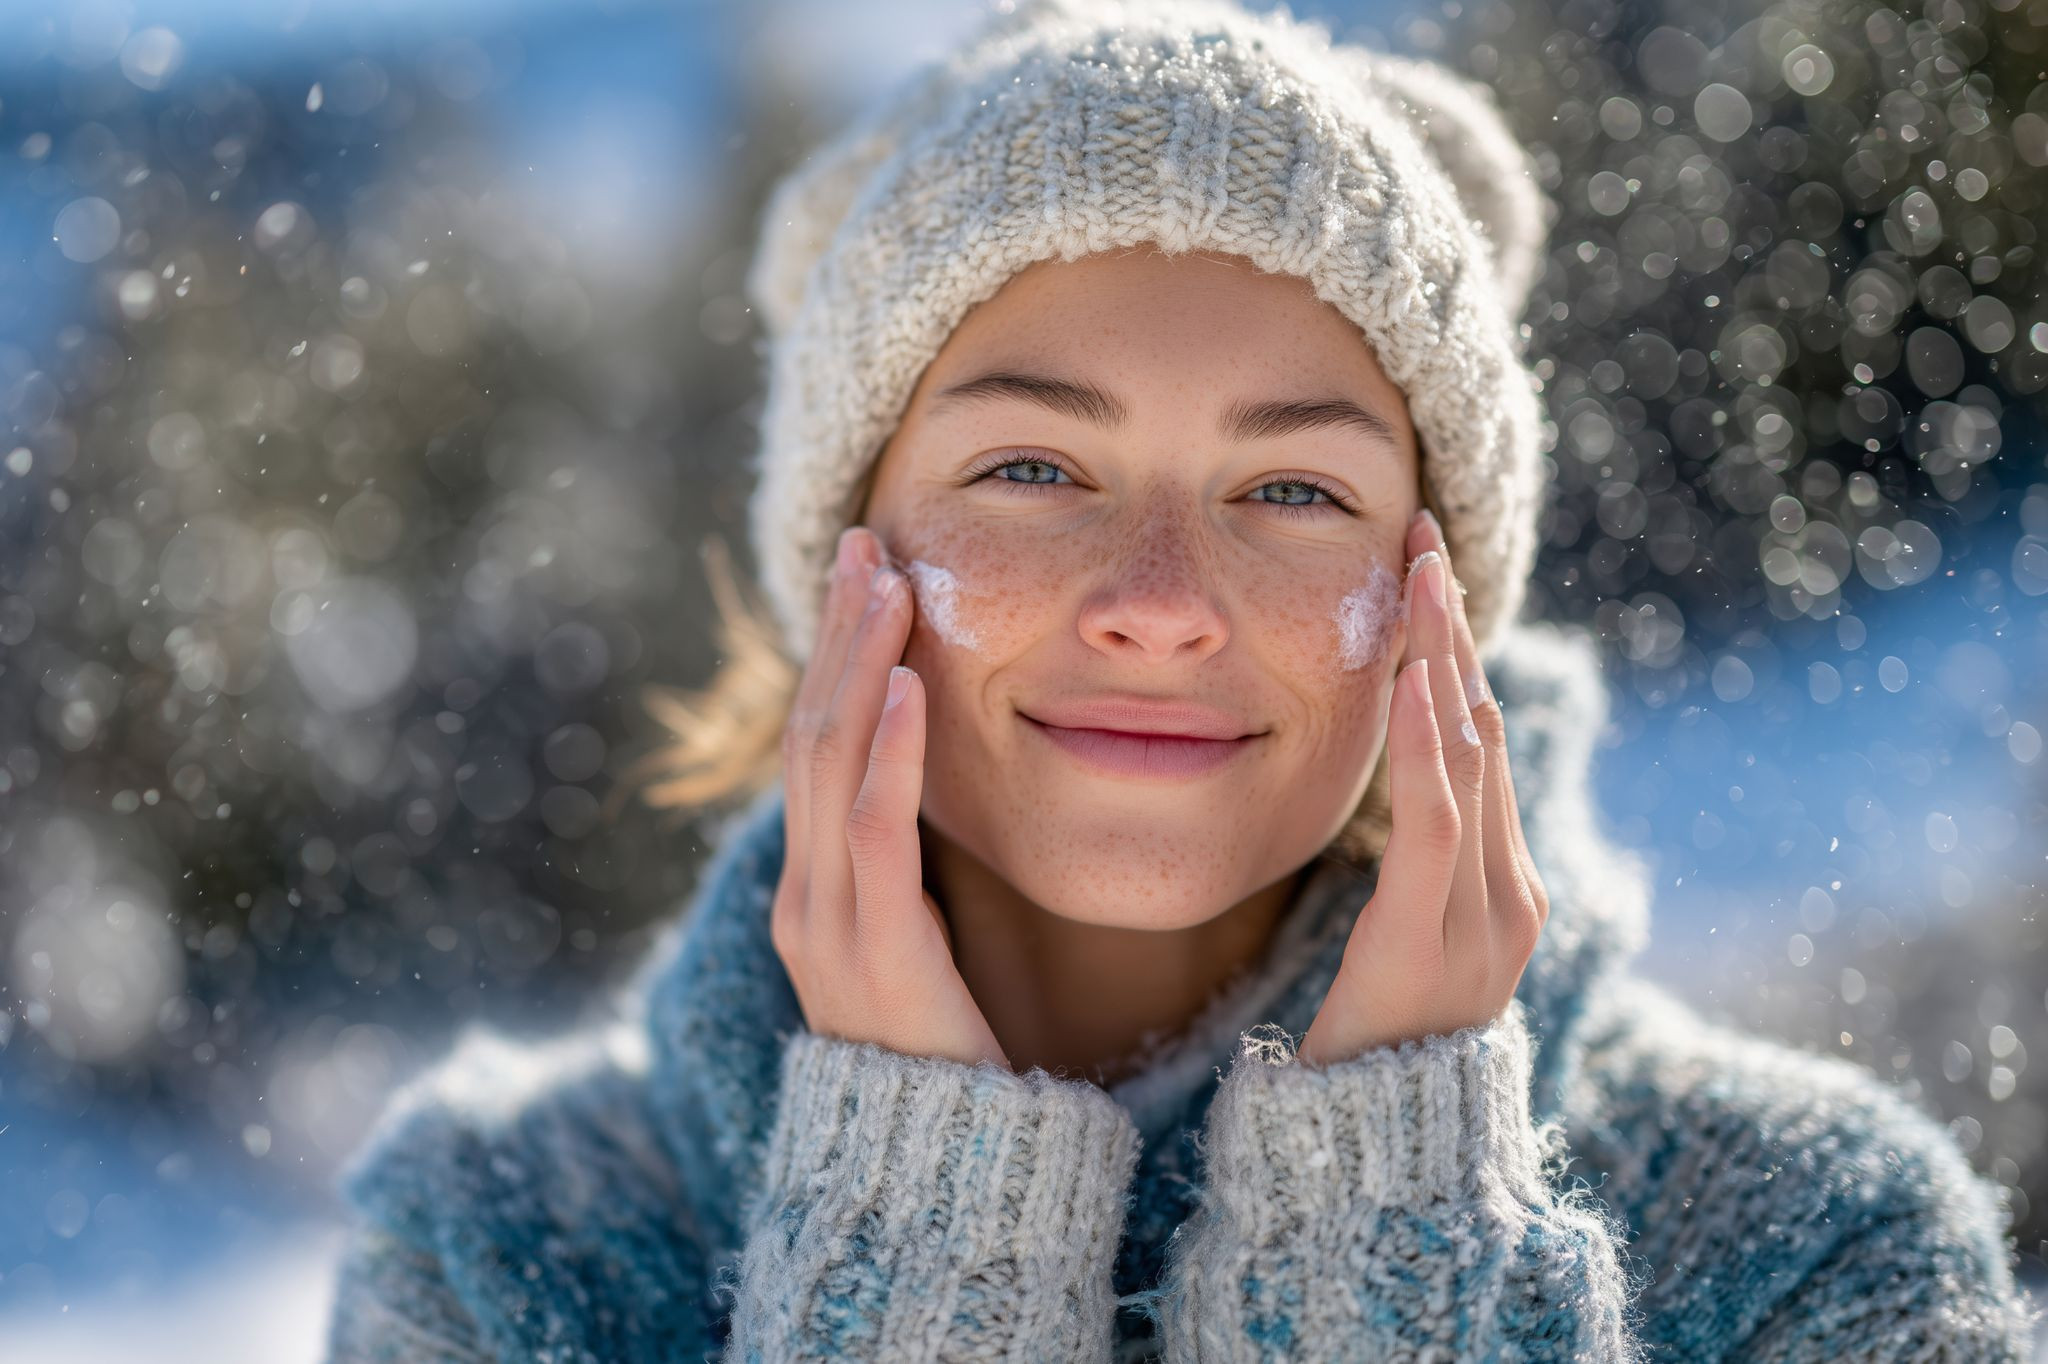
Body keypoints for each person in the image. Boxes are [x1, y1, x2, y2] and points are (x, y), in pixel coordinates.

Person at [319, 1, 2043, 1359]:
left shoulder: (1808, 1249)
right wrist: (912, 1220)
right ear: (846, 559)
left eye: (1293, 492)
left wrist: (1402, 1231)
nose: (1159, 606)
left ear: (1439, 592)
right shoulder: (495, 1257)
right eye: (1030, 472)